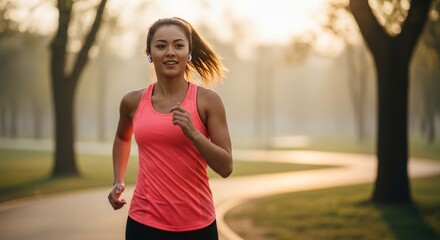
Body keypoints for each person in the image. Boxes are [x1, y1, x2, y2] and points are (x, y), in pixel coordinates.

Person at [107, 17, 233, 240]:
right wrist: (118, 179)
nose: (170, 52)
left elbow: (226, 167)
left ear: (189, 52)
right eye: (161, 46)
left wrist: (193, 133)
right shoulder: (132, 101)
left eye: (178, 45)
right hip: (143, 222)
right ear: (149, 53)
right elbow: (122, 138)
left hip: (197, 224)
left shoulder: (208, 101)